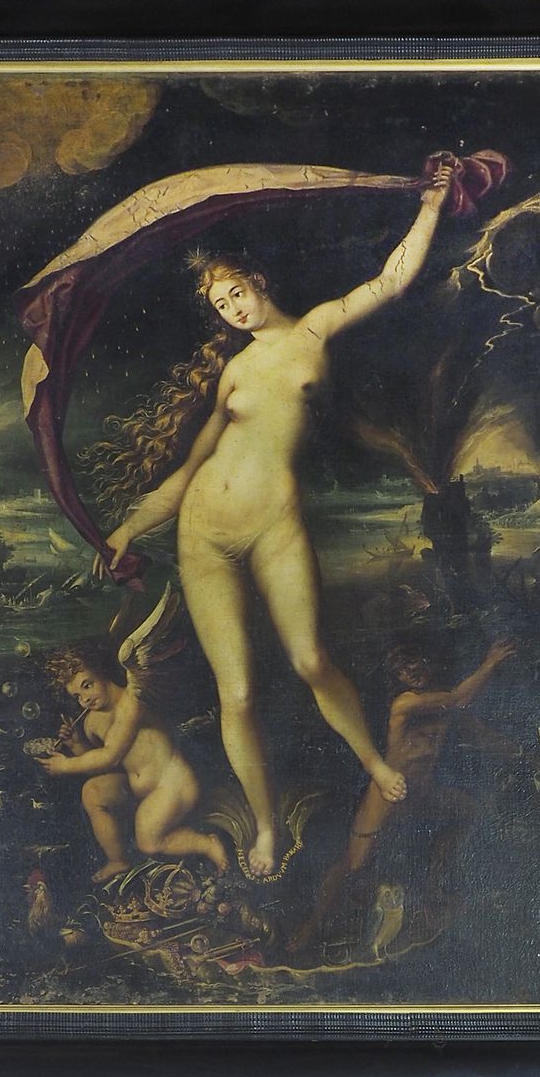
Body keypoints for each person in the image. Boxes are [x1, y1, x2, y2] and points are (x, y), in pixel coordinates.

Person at [90, 162, 454, 877]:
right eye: (221, 304)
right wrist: (127, 530)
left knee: (311, 659)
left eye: (237, 292)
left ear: (259, 283)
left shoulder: (313, 331)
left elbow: (390, 281)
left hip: (274, 524)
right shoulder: (233, 373)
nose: (233, 308)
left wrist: (431, 206)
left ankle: (372, 760)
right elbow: (188, 472)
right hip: (203, 535)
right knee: (237, 692)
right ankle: (262, 827)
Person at [288, 638, 516, 952]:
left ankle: (434, 887)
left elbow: (481, 734)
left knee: (469, 812)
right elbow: (460, 698)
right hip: (389, 794)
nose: (411, 672)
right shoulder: (405, 703)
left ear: (427, 661)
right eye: (401, 670)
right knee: (354, 863)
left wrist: (521, 753)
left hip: (422, 794)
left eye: (414, 662)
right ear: (397, 678)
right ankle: (311, 925)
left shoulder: (442, 708)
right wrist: (490, 662)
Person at [39, 644, 228, 882]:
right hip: (138, 790)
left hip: (173, 786)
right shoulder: (92, 722)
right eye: (77, 696)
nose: (84, 699)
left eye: (87, 685)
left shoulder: (132, 701)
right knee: (92, 791)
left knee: (148, 842)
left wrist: (66, 766)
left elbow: (110, 755)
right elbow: (100, 764)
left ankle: (207, 843)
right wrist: (76, 743)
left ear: (103, 673)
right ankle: (118, 860)